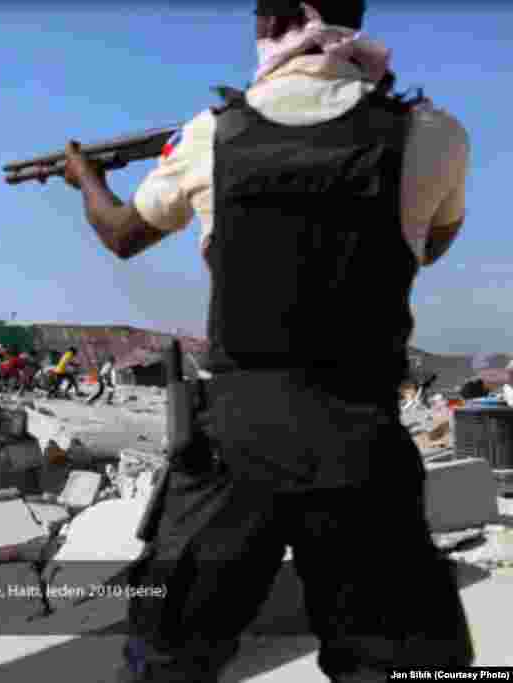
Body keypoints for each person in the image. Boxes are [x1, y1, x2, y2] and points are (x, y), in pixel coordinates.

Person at [60, 1, 472, 679]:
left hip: (235, 442)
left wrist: (87, 179)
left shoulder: (208, 135)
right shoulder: (435, 134)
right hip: (360, 440)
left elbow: (121, 234)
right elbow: (431, 242)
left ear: (271, 26)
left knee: (165, 659)